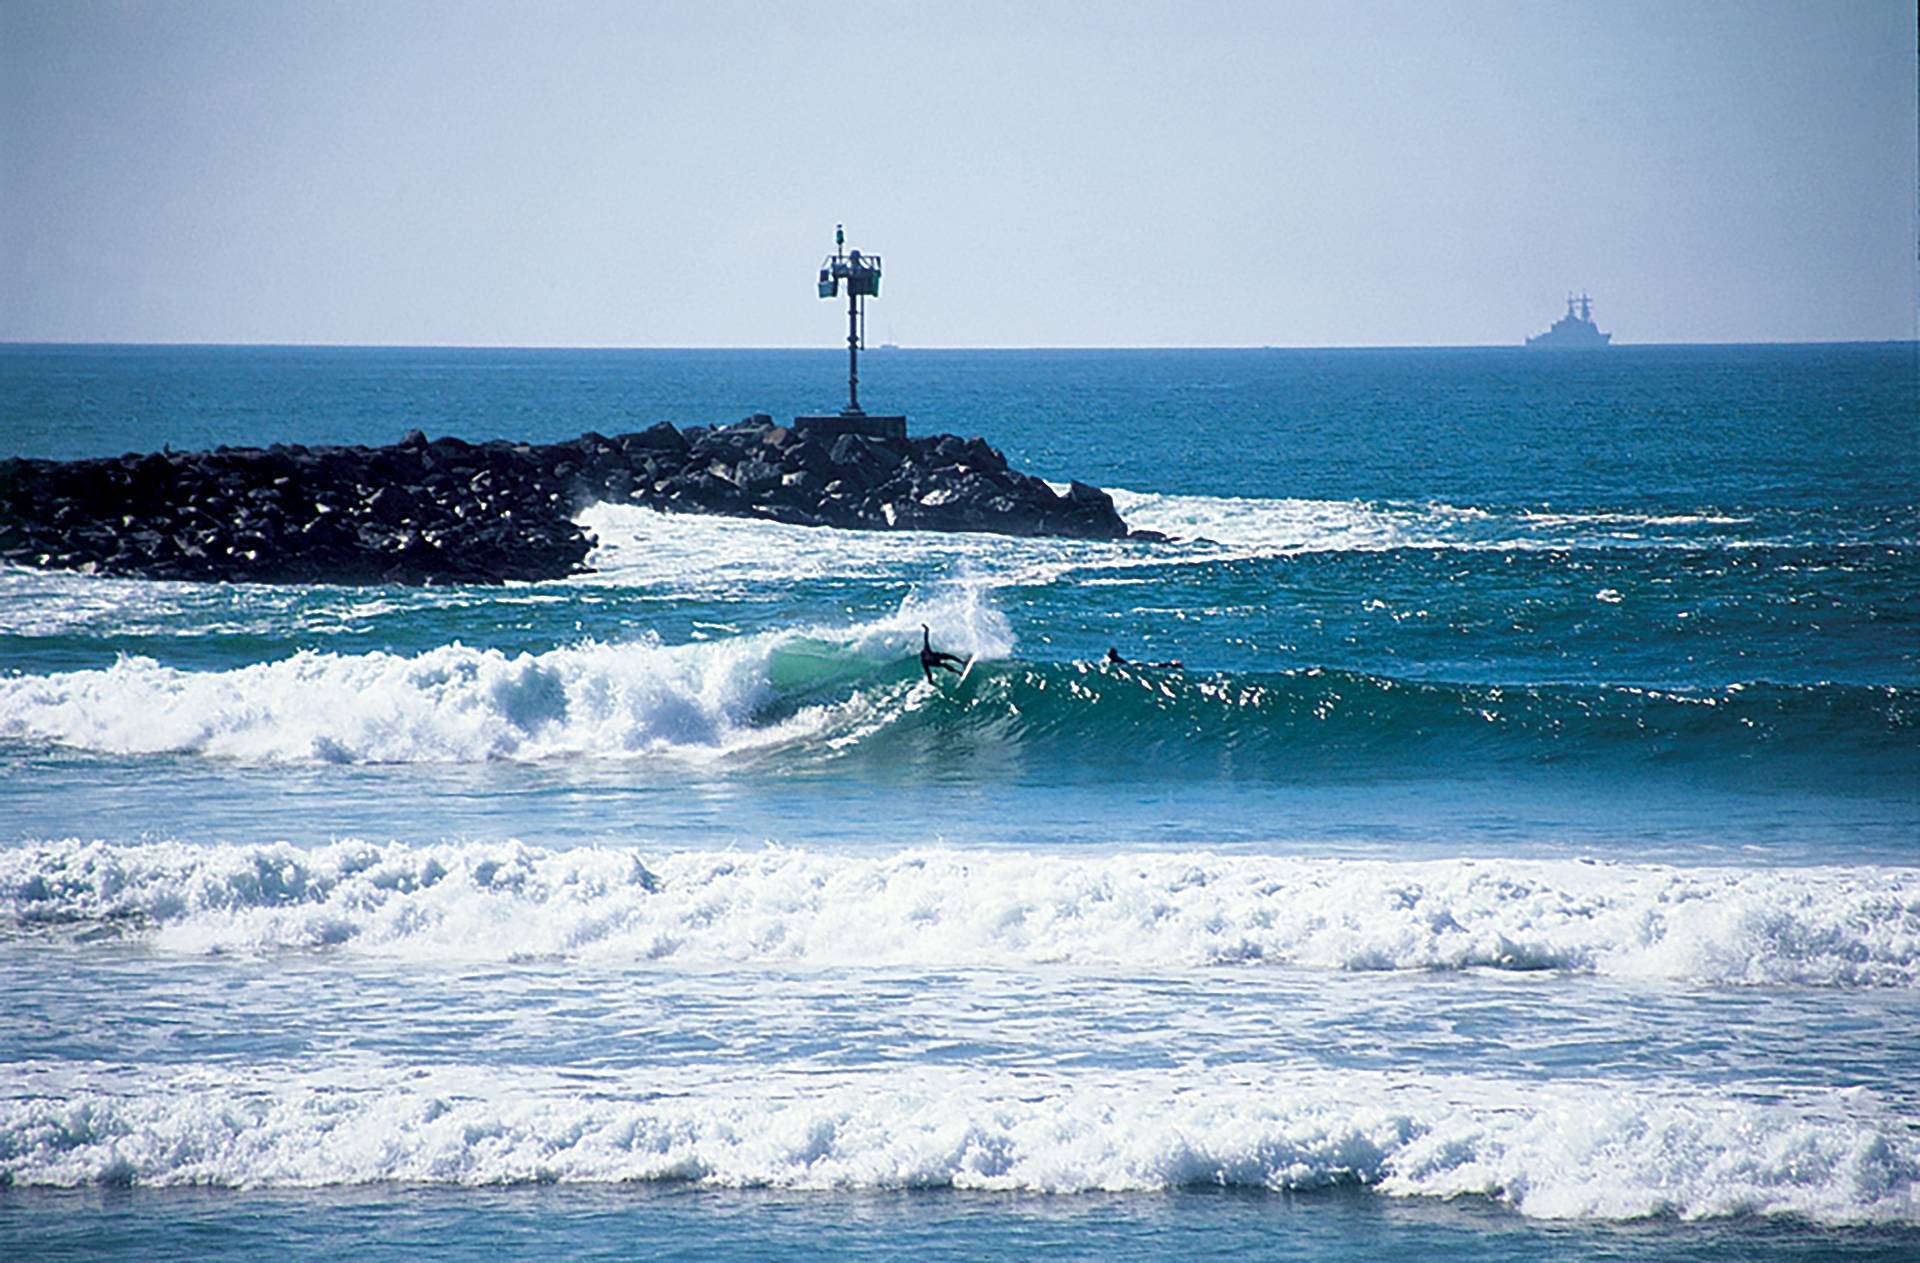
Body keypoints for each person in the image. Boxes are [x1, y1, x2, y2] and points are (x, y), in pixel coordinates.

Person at [1106, 645, 1182, 669]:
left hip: (1134, 664)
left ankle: (1172, 664)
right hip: (1133, 664)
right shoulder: (1116, 660)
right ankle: (1172, 664)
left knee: (1155, 665)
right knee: (1155, 665)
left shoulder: (1115, 660)